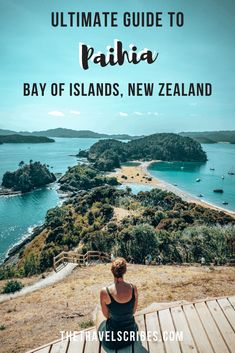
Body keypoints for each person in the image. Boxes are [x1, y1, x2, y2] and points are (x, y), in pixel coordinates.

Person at [98, 257, 138, 350]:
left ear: (112, 271)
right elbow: (133, 311)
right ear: (125, 271)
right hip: (131, 336)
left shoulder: (105, 292)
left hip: (112, 342)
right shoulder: (133, 288)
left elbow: (106, 316)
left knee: (99, 323)